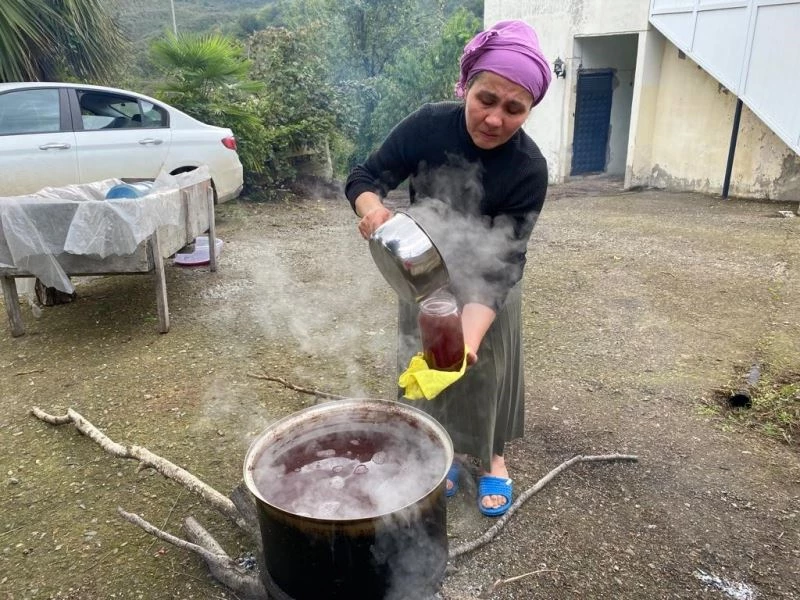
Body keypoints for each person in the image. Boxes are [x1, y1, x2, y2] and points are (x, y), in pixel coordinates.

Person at [345, 20, 551, 517]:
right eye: (485, 99)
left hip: (491, 286)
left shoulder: (529, 168)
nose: (494, 119)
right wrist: (372, 209)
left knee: (484, 372)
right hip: (421, 272)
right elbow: (364, 177)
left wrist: (471, 340)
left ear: (528, 111)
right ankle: (448, 452)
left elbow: (504, 264)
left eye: (513, 108)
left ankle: (495, 459)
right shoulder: (429, 125)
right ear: (467, 87)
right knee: (426, 367)